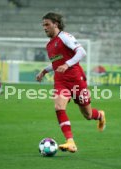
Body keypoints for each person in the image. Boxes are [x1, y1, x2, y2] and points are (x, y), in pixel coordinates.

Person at [36, 12, 106, 153]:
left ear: (55, 24)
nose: (44, 28)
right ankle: (70, 141)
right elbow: (57, 64)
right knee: (58, 107)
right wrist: (44, 71)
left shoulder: (65, 37)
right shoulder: (49, 45)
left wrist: (67, 65)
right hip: (61, 81)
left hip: (76, 79)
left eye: (47, 24)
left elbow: (81, 52)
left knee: (87, 115)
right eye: (43, 25)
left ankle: (100, 115)